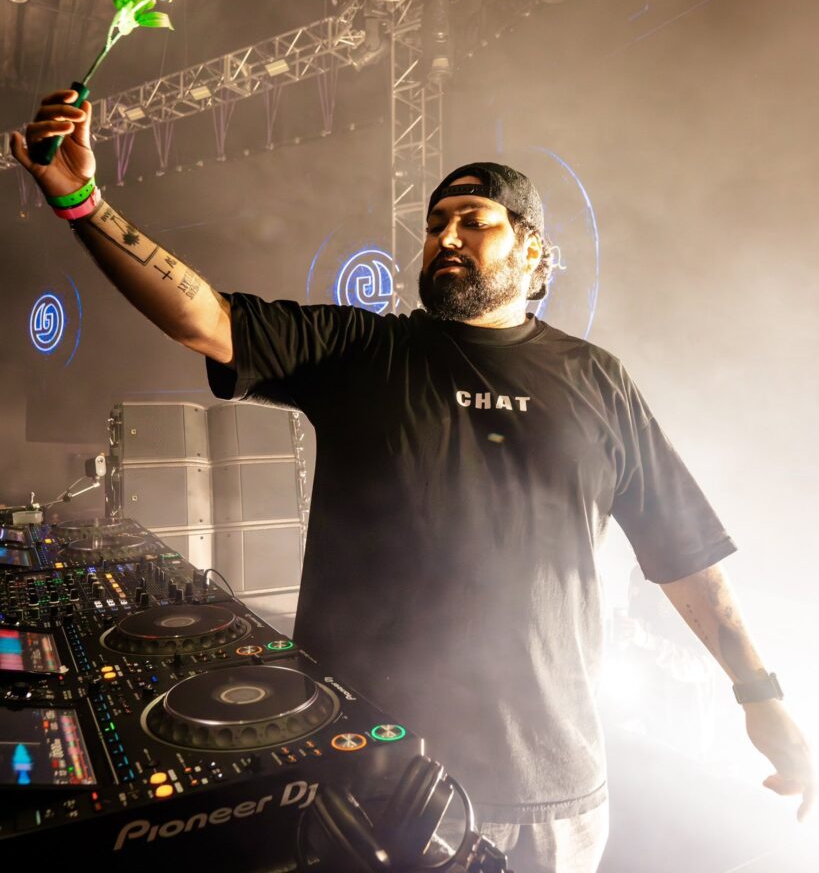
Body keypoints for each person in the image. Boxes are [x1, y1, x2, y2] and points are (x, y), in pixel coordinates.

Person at [11, 91, 815, 873]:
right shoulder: (367, 351)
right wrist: (82, 202)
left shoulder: (597, 379)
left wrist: (759, 694)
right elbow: (204, 318)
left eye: (473, 220)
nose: (445, 237)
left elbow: (684, 555)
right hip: (370, 774)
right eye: (433, 225)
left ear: (532, 250)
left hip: (550, 790)